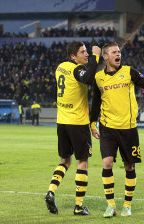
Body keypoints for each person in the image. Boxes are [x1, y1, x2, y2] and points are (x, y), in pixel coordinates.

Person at [90, 41, 144, 218]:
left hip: (128, 128)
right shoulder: (99, 77)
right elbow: (96, 102)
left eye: (119, 52)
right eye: (114, 52)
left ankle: (127, 205)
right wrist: (93, 123)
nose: (118, 54)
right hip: (108, 128)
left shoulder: (128, 72)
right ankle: (110, 205)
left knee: (129, 166)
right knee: (107, 163)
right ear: (105, 56)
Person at [45, 41, 101, 215]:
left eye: (86, 52)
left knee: (65, 161)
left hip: (62, 121)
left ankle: (51, 191)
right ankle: (78, 206)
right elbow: (88, 78)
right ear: (72, 56)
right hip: (78, 122)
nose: (85, 54)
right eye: (82, 52)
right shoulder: (77, 70)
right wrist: (95, 56)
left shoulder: (60, 67)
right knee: (82, 162)